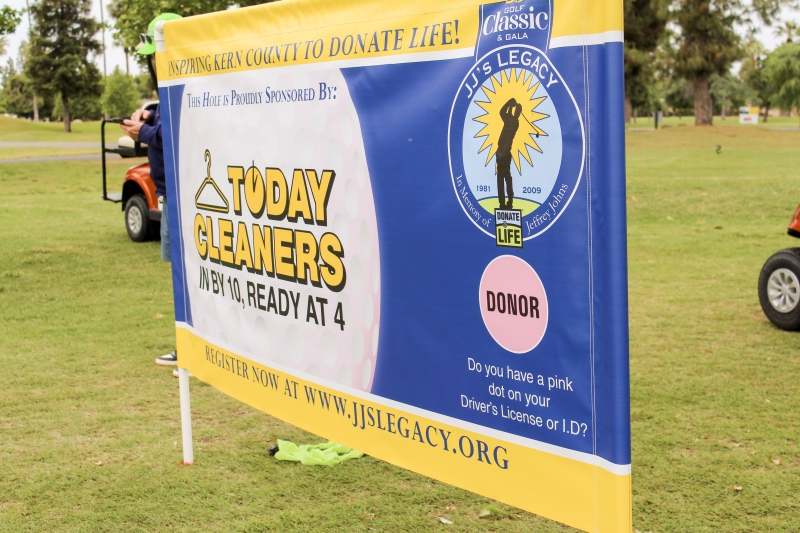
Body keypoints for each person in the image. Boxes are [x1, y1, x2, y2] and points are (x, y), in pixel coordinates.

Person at [120, 13, 184, 375]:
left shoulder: (184, 82)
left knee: (185, 274)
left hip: (182, 195)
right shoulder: (169, 89)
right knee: (179, 273)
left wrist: (143, 133)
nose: (154, 62)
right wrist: (150, 118)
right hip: (169, 193)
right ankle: (188, 346)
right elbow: (166, 122)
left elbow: (175, 133)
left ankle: (191, 350)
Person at [496, 97, 522, 210]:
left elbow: (502, 112)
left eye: (517, 111)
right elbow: (505, 114)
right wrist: (512, 106)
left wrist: (511, 103)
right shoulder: (514, 121)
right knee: (506, 176)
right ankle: (508, 200)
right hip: (503, 152)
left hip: (503, 152)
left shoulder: (513, 122)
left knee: (503, 177)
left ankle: (505, 201)